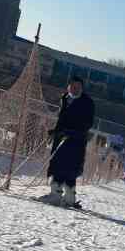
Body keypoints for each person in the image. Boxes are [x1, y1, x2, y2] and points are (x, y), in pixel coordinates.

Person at [45, 77, 95, 206]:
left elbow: (88, 123)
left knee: (70, 168)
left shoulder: (87, 102)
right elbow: (62, 120)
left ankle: (68, 197)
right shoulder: (65, 98)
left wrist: (72, 132)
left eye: (78, 87)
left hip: (76, 141)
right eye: (72, 86)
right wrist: (55, 131)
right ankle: (55, 194)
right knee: (56, 164)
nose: (75, 89)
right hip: (61, 138)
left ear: (82, 88)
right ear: (68, 87)